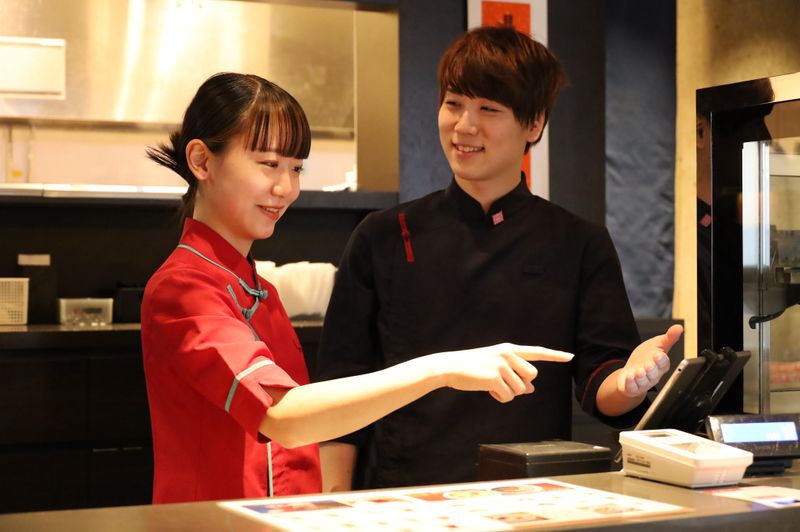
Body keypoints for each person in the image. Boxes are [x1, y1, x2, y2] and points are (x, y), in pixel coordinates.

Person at [140, 72, 574, 504]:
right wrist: (440, 369)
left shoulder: (258, 288)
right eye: (269, 164)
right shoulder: (184, 287)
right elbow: (282, 416)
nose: (286, 188)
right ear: (201, 161)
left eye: (296, 168)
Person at [314, 26, 683, 491]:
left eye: (488, 109)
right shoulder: (384, 234)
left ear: (534, 124)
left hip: (532, 494)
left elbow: (601, 386)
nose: (465, 126)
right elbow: (341, 382)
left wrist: (631, 380)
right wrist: (332, 499)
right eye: (453, 103)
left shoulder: (578, 242)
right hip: (404, 494)